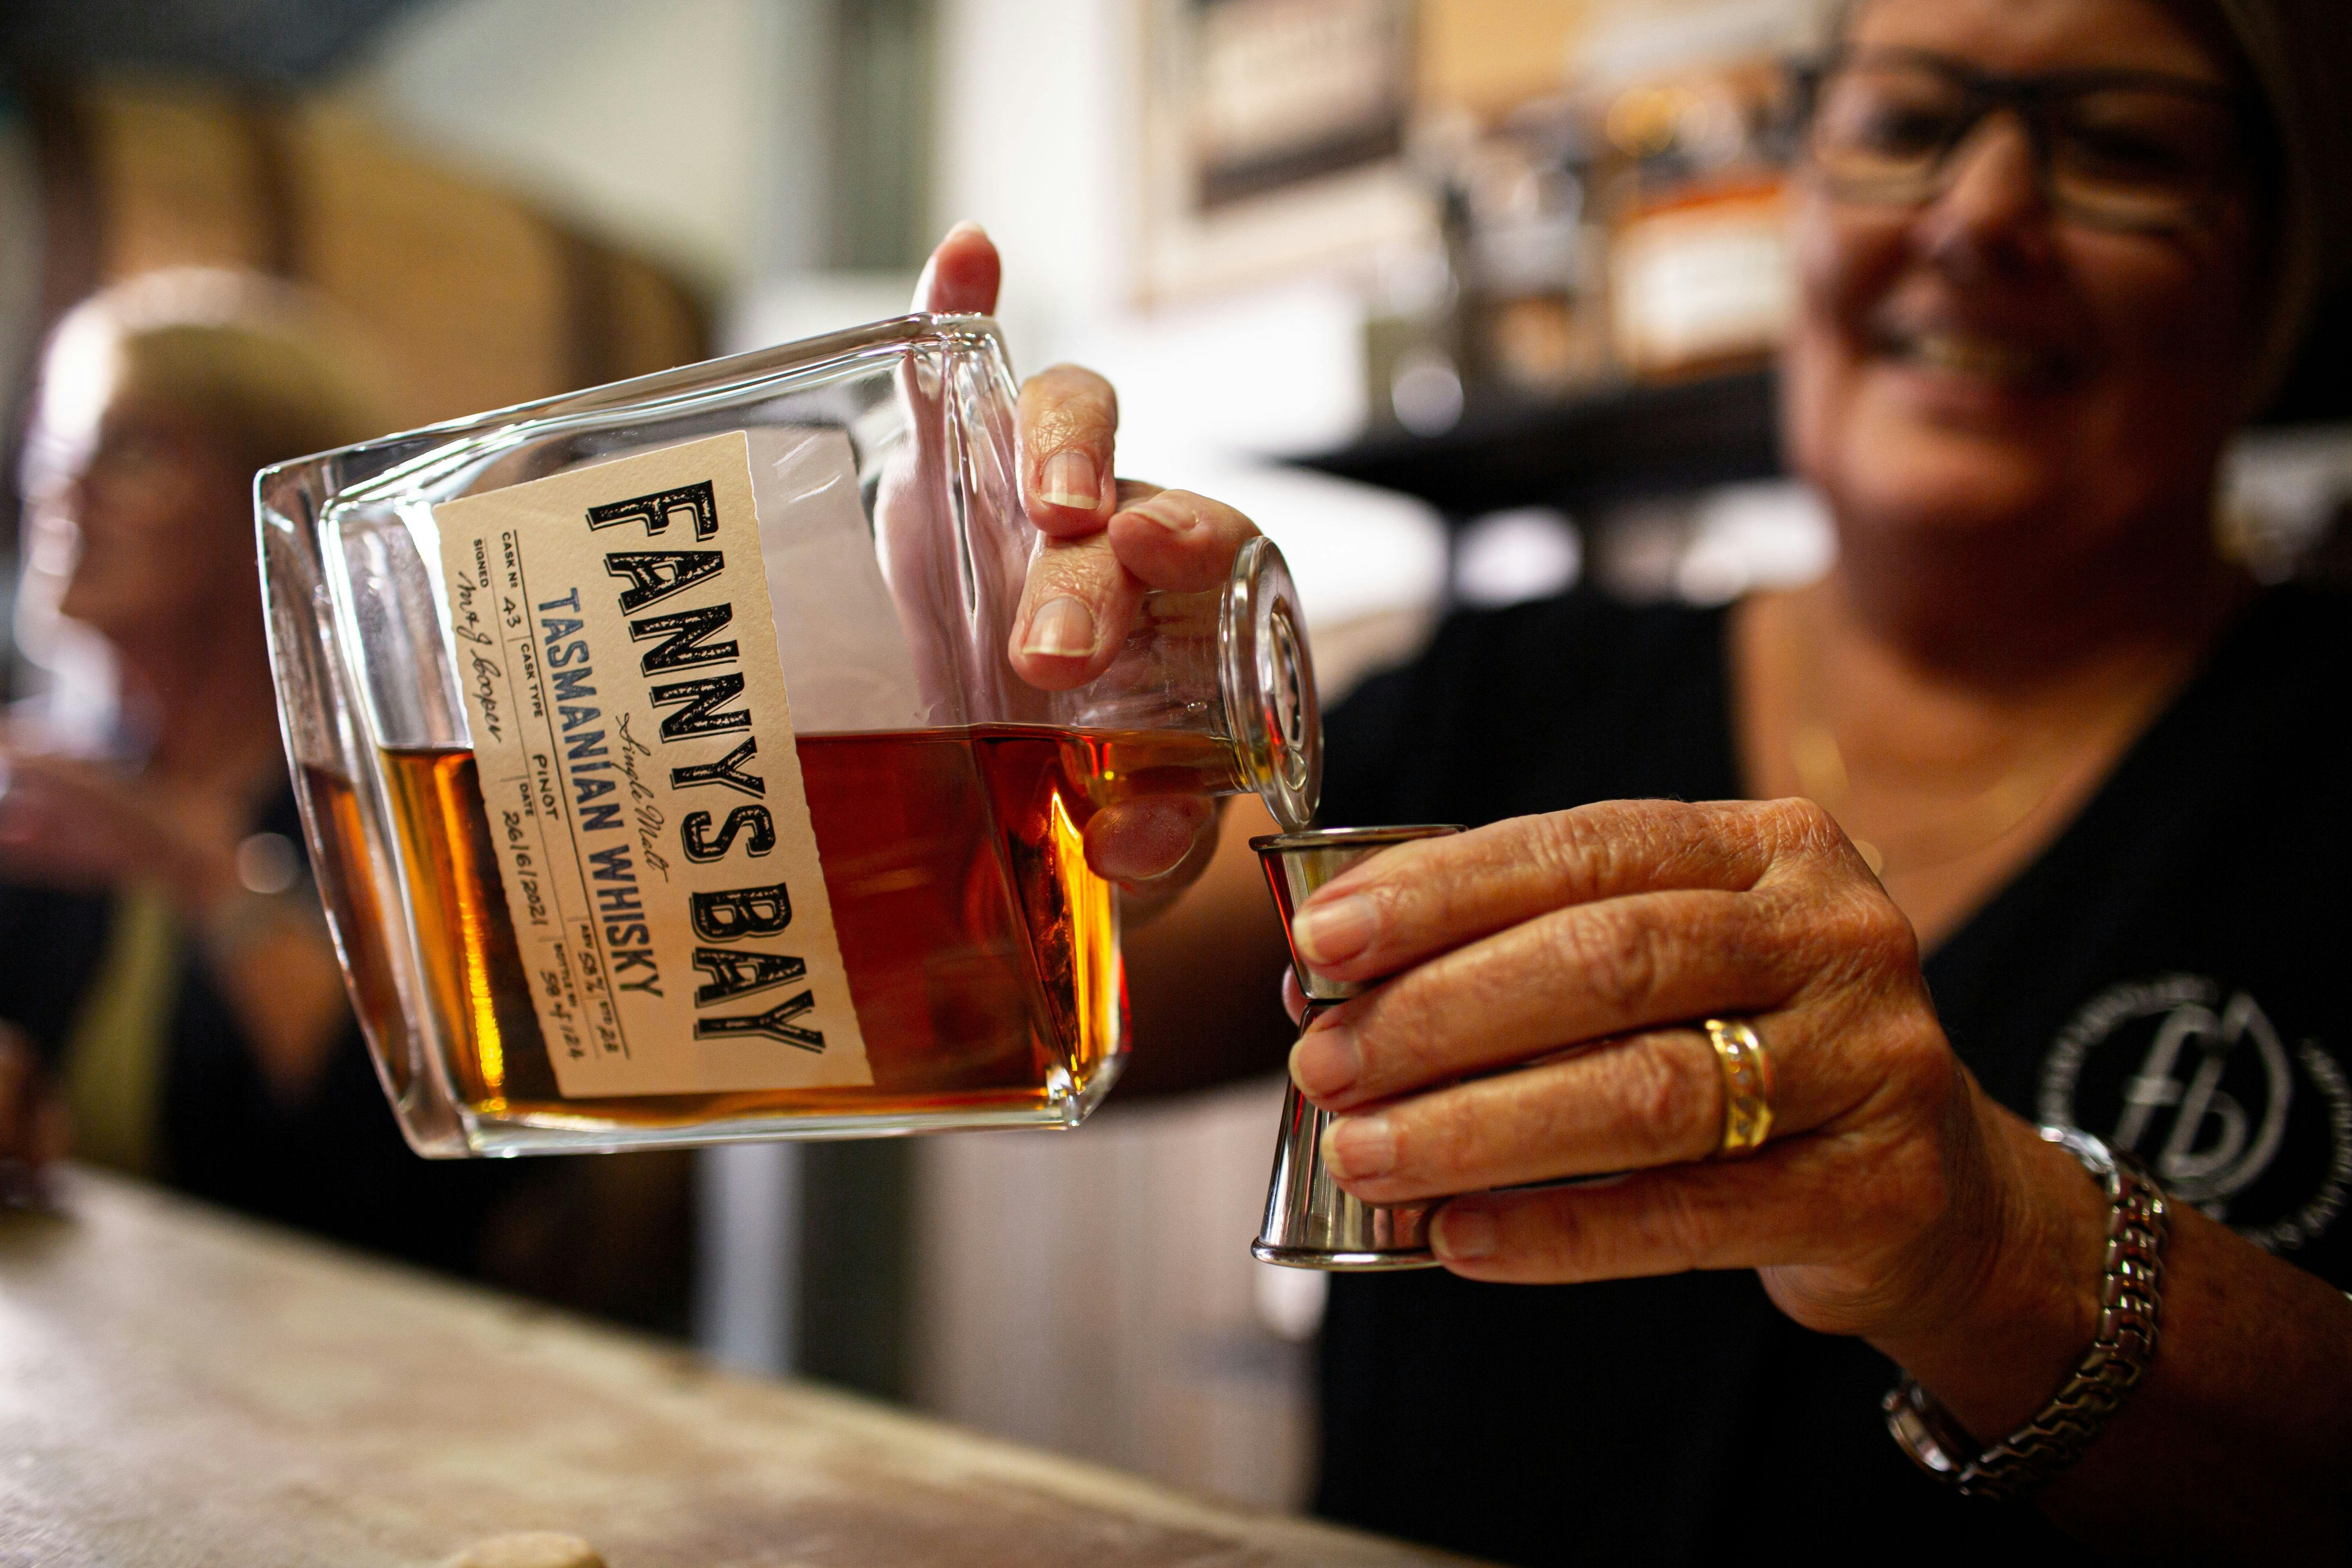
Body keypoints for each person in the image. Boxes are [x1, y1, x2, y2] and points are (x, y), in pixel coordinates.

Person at [913, 0, 2352, 1559]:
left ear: (2284, 255)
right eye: (1907, 123)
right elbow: (965, 1000)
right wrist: (976, 702)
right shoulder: (1508, 697)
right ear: (1799, 210)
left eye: (2125, 147)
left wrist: (2001, 1245)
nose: (1981, 208)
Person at [0, 270, 523, 1274]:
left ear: (282, 516)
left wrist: (205, 875)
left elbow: (433, 1182)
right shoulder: (47, 790)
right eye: (56, 447)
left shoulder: (424, 794)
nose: (63, 490)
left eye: (134, 450)